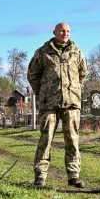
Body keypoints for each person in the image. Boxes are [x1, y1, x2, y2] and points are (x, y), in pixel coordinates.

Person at [27, 22, 88, 188]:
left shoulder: (77, 52)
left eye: (68, 31)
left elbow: (83, 73)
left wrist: (73, 88)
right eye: (62, 31)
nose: (65, 33)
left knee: (73, 140)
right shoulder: (42, 52)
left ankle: (74, 176)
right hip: (49, 104)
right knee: (45, 140)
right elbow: (33, 75)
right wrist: (43, 92)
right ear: (54, 32)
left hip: (72, 103)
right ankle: (40, 176)